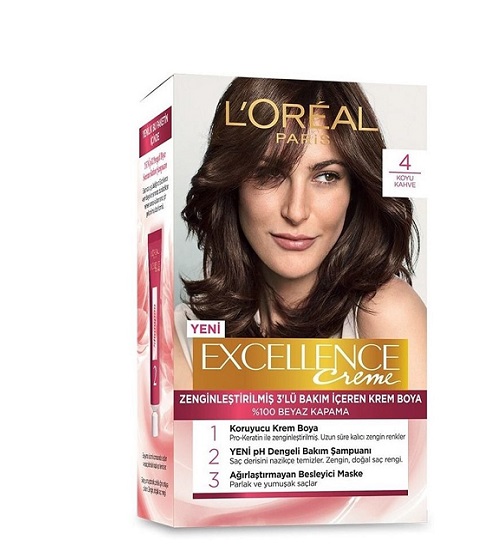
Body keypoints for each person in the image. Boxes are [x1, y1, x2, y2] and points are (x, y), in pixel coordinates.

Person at [174, 77, 426, 389]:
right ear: (233, 184)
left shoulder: (385, 313)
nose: (296, 211)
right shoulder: (185, 336)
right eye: (269, 173)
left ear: (355, 191)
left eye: (326, 176)